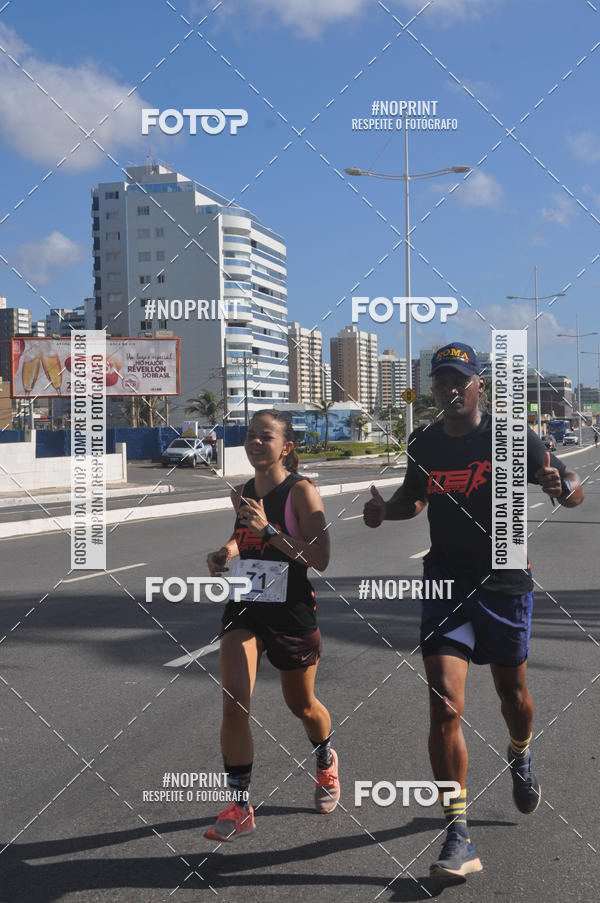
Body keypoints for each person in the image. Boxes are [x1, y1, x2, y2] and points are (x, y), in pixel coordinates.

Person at [363, 343, 583, 880]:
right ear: (434, 388)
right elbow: (414, 498)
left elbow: (573, 492)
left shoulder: (511, 438)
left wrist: (560, 487)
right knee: (444, 707)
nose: (449, 388)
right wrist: (383, 512)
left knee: (515, 698)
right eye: (441, 381)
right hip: (444, 584)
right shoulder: (426, 442)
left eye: (459, 379)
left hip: (504, 583)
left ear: (480, 385)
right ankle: (458, 835)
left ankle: (520, 750)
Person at [204, 409, 340, 842]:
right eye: (250, 435)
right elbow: (241, 537)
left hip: (292, 612)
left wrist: (270, 531)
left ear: (287, 447)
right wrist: (225, 553)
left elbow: (319, 558)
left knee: (301, 705)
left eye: (266, 436)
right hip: (246, 606)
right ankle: (239, 804)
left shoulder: (302, 492)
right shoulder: (240, 493)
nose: (255, 442)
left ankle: (324, 758)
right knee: (234, 703)